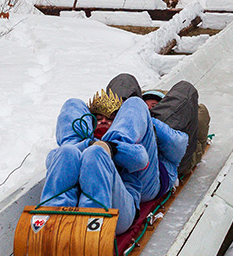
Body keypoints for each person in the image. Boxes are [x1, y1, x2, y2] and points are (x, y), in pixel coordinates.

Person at [40, 78, 189, 233]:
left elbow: (140, 159)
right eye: (98, 119)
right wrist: (88, 143)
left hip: (118, 209)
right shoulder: (85, 143)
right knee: (70, 128)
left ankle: (91, 225)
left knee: (97, 152)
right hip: (73, 200)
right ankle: (51, 219)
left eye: (111, 119)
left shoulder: (133, 144)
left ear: (119, 121)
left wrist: (111, 147)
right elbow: (53, 159)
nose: (104, 121)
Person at [140, 83, 211, 174]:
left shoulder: (176, 128)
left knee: (186, 88)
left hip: (170, 161)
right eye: (146, 106)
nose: (149, 109)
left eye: (154, 107)